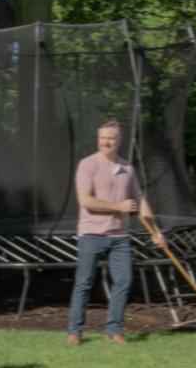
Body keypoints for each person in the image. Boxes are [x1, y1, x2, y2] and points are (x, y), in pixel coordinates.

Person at [67, 119, 165, 346]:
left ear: (119, 140)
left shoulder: (127, 168)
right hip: (92, 234)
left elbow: (140, 202)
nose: (105, 142)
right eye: (102, 138)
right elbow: (85, 200)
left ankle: (113, 330)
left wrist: (155, 231)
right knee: (84, 282)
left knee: (124, 281)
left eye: (110, 138)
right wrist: (117, 207)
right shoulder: (88, 164)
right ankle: (75, 331)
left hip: (120, 236)